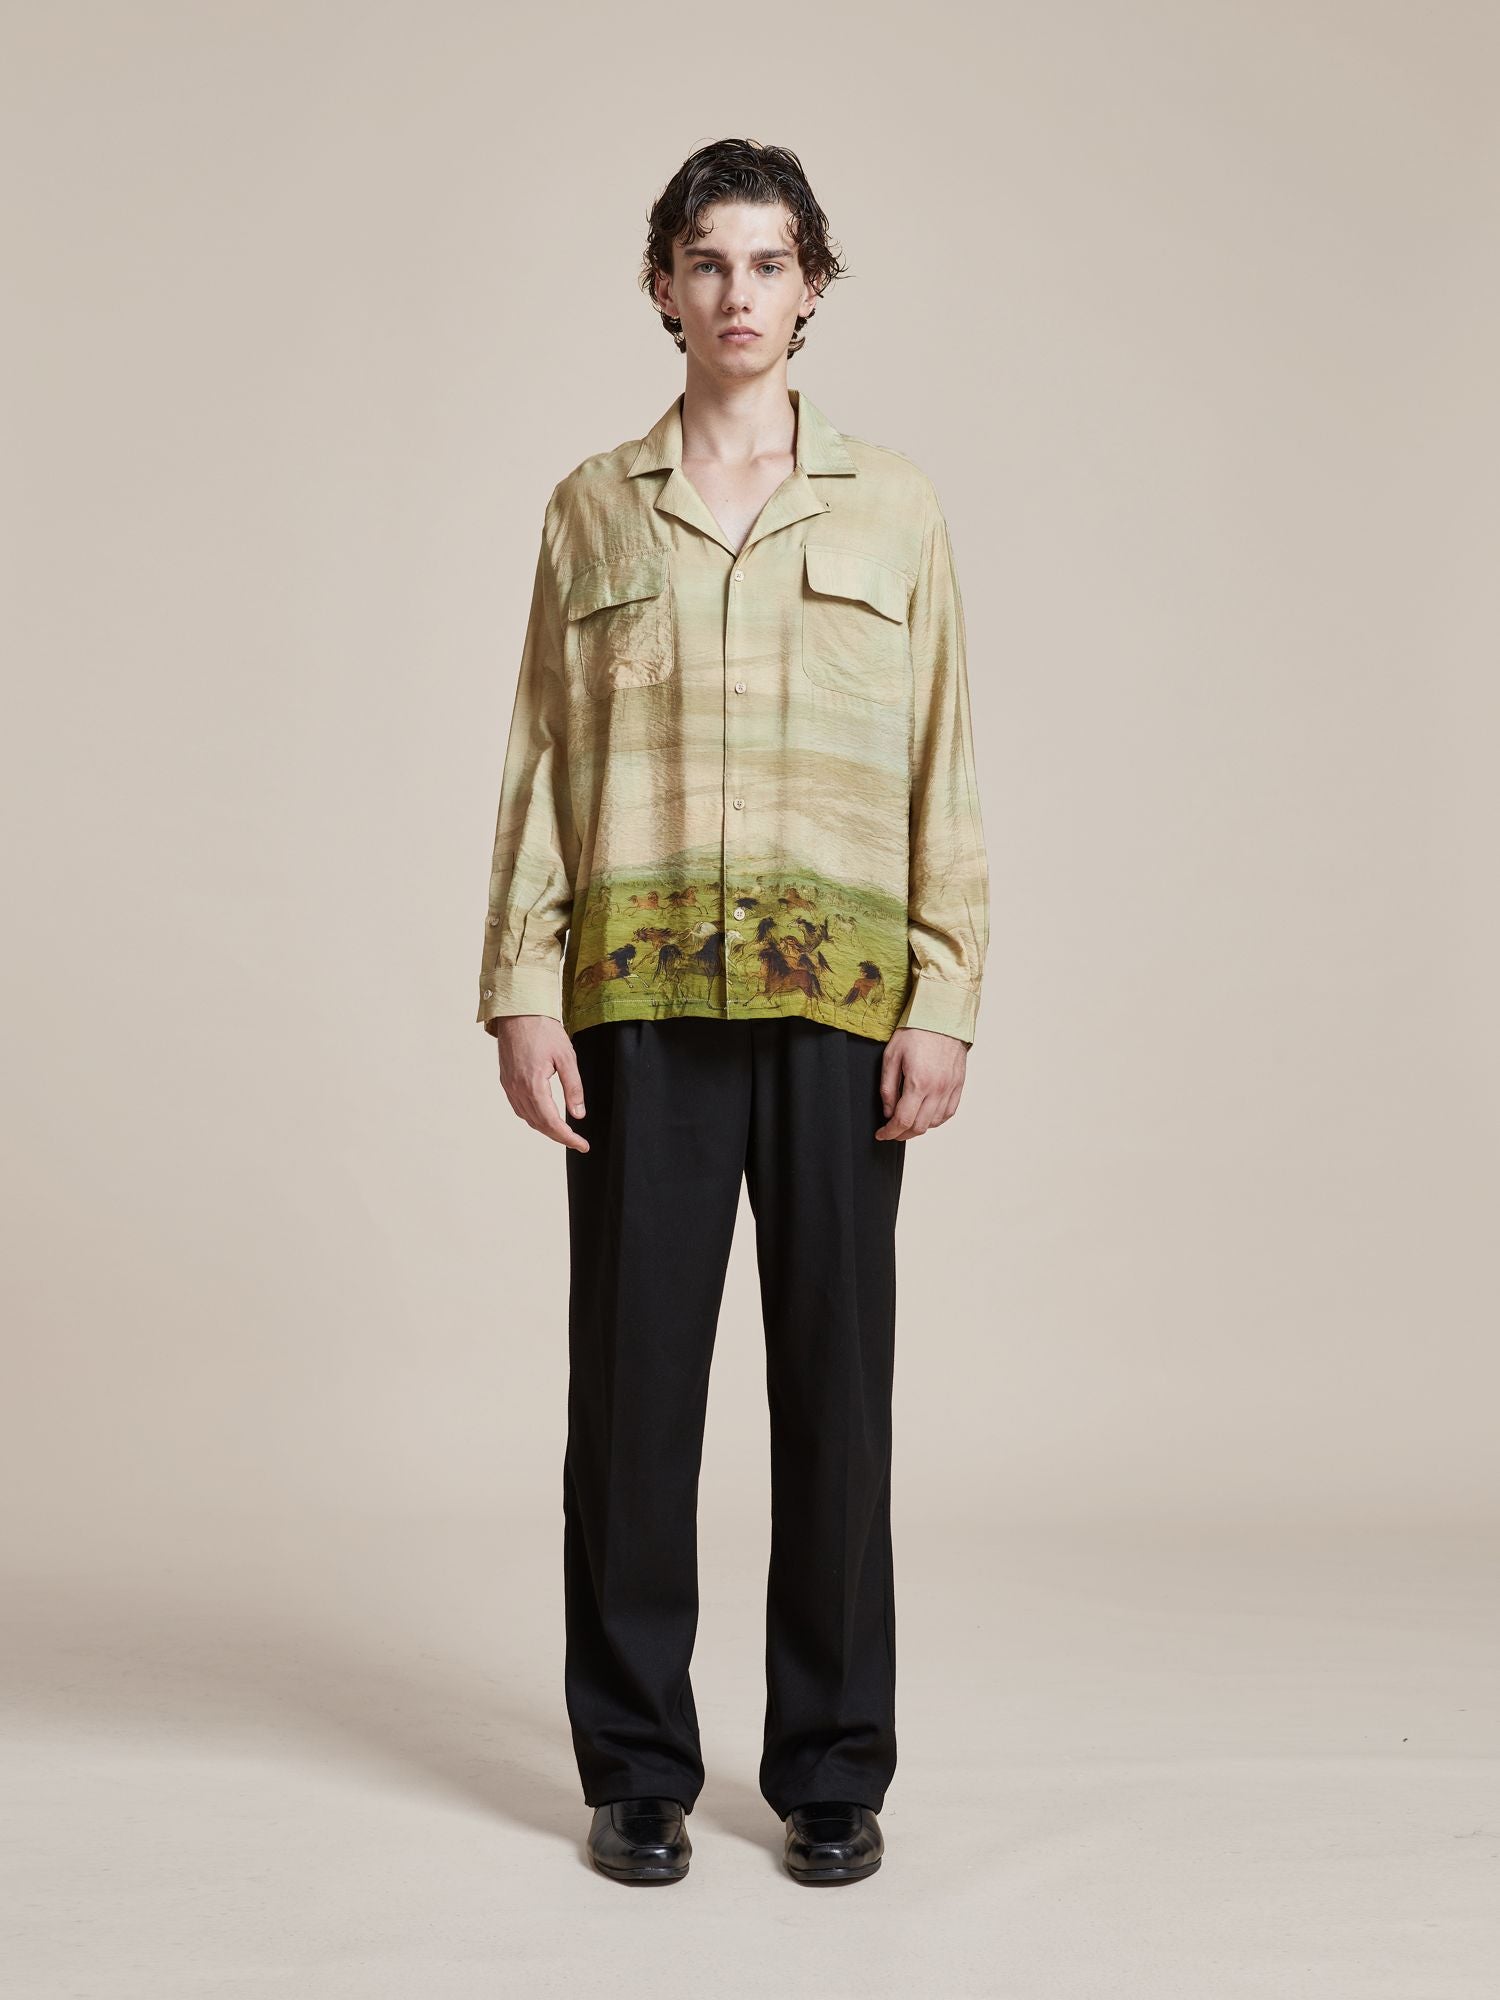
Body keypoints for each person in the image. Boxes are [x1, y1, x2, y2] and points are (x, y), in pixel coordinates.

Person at [475, 137, 990, 1887]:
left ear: (813, 290)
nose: (738, 295)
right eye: (707, 263)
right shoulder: (592, 509)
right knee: (632, 1398)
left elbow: (947, 768)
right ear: (663, 288)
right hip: (637, 1003)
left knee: (838, 1390)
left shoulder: (897, 507)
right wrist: (521, 991)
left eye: (769, 264)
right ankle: (636, 1765)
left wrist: (948, 993)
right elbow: (541, 768)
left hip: (844, 1006)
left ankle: (834, 1766)